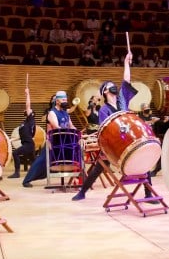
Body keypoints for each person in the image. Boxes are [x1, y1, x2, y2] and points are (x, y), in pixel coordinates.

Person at [72, 52, 135, 200]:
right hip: (113, 143)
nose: (114, 86)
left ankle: (148, 192)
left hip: (128, 140)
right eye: (110, 86)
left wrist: (126, 62)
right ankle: (82, 192)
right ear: (105, 92)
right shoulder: (104, 110)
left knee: (141, 159)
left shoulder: (122, 101)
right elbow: (105, 131)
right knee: (98, 167)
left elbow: (127, 80)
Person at [22, 92, 73, 187]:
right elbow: (57, 127)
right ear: (57, 101)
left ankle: (79, 177)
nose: (65, 102)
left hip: (63, 140)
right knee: (41, 161)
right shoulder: (52, 113)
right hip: (53, 141)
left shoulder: (65, 113)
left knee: (73, 156)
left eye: (66, 100)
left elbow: (71, 126)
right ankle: (26, 180)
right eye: (63, 100)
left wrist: (77, 133)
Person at [9, 87, 36, 179]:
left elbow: (28, 105)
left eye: (29, 110)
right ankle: (37, 173)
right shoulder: (26, 123)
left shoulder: (30, 120)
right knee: (34, 162)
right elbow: (23, 136)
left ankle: (17, 173)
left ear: (31, 114)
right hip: (27, 143)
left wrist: (27, 94)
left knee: (15, 153)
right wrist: (11, 139)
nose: (27, 110)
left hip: (28, 144)